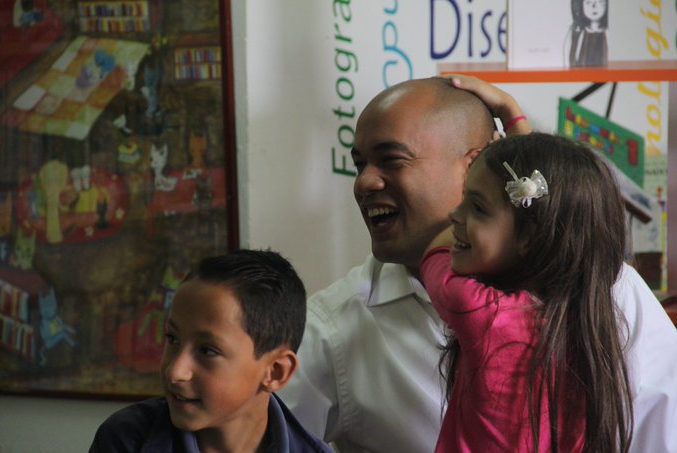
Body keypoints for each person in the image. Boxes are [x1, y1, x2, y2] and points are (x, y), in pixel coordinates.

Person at [278, 75, 677, 453]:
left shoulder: (607, 289)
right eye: (359, 164)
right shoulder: (332, 328)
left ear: (475, 163)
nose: (364, 183)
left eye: (392, 160)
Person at [421, 132, 632, 452]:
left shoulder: (481, 311)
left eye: (476, 206)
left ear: (530, 236)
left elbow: (433, 257)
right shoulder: (589, 318)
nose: (454, 215)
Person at [89, 249, 334, 453]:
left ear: (276, 372)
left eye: (207, 351)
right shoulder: (125, 440)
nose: (175, 372)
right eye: (172, 339)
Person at [567, 0, 608, 67]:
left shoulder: (608, 34)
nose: (594, 6)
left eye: (600, 1)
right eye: (588, 2)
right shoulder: (576, 35)